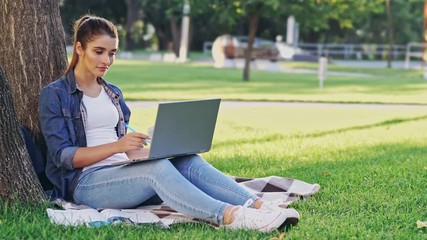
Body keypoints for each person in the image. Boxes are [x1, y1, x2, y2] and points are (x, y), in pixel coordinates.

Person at [38, 15, 300, 233]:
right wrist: (118, 145)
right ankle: (231, 217)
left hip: (122, 172)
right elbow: (64, 157)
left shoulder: (112, 92)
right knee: (158, 170)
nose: (107, 60)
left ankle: (256, 206)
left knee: (188, 161)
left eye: (112, 53)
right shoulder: (56, 94)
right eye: (99, 51)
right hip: (86, 184)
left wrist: (157, 149)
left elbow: (127, 152)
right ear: (79, 48)